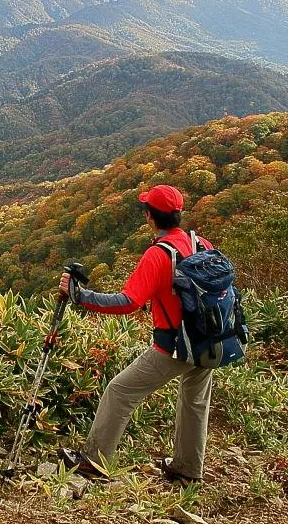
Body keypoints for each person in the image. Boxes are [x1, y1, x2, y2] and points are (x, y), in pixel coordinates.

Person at [57, 184, 213, 485]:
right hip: (210, 340)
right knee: (195, 402)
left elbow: (128, 302)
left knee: (120, 391)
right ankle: (188, 469)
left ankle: (94, 460)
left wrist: (81, 296)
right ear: (178, 214)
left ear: (150, 218)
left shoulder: (159, 254)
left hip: (174, 345)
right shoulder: (201, 244)